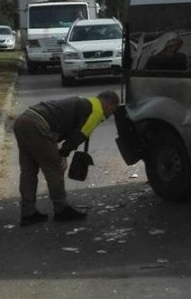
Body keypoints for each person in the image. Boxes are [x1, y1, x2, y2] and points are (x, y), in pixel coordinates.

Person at [13, 90, 120, 227]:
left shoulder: (86, 101)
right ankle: (61, 209)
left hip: (24, 120)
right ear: (108, 104)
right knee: (55, 168)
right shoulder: (96, 110)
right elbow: (80, 135)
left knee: (28, 171)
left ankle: (28, 213)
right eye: (113, 109)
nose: (111, 114)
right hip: (38, 125)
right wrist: (63, 154)